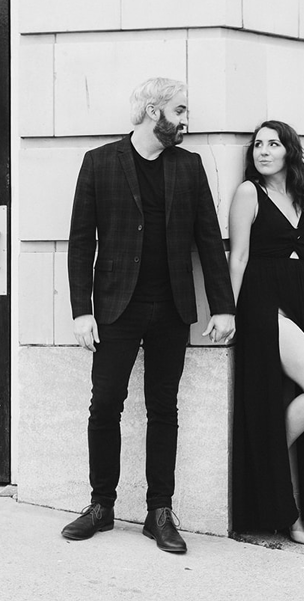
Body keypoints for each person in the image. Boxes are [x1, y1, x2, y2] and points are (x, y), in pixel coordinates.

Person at [60, 78, 236, 554]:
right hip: (117, 308)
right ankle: (101, 505)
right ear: (152, 110)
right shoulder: (99, 162)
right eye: (180, 110)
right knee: (105, 405)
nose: (185, 120)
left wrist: (223, 305)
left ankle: (159, 510)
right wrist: (82, 312)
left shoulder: (189, 166)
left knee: (164, 408)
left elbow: (208, 240)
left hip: (172, 307)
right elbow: (81, 243)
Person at [227, 120, 304, 544]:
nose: (263, 151)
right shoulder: (248, 194)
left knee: (292, 401)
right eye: (257, 144)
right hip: (263, 308)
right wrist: (229, 312)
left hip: (303, 307)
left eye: (273, 144)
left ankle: (289, 514)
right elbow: (237, 258)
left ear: (290, 151)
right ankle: (266, 467)